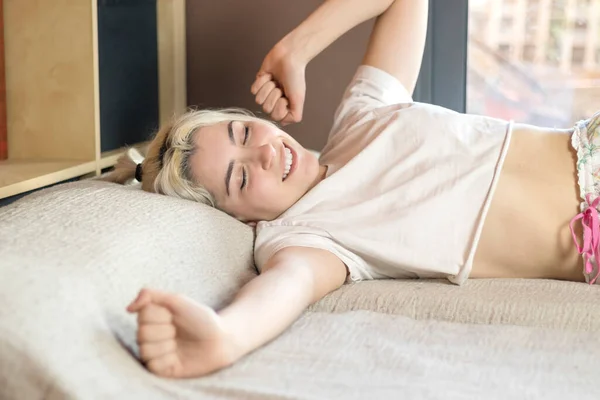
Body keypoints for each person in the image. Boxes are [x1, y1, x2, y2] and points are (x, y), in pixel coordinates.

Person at [105, 0, 598, 379]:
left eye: (245, 132)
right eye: (241, 177)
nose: (265, 154)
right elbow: (282, 291)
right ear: (240, 218)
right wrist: (223, 338)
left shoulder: (363, 115)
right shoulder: (307, 238)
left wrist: (294, 49)